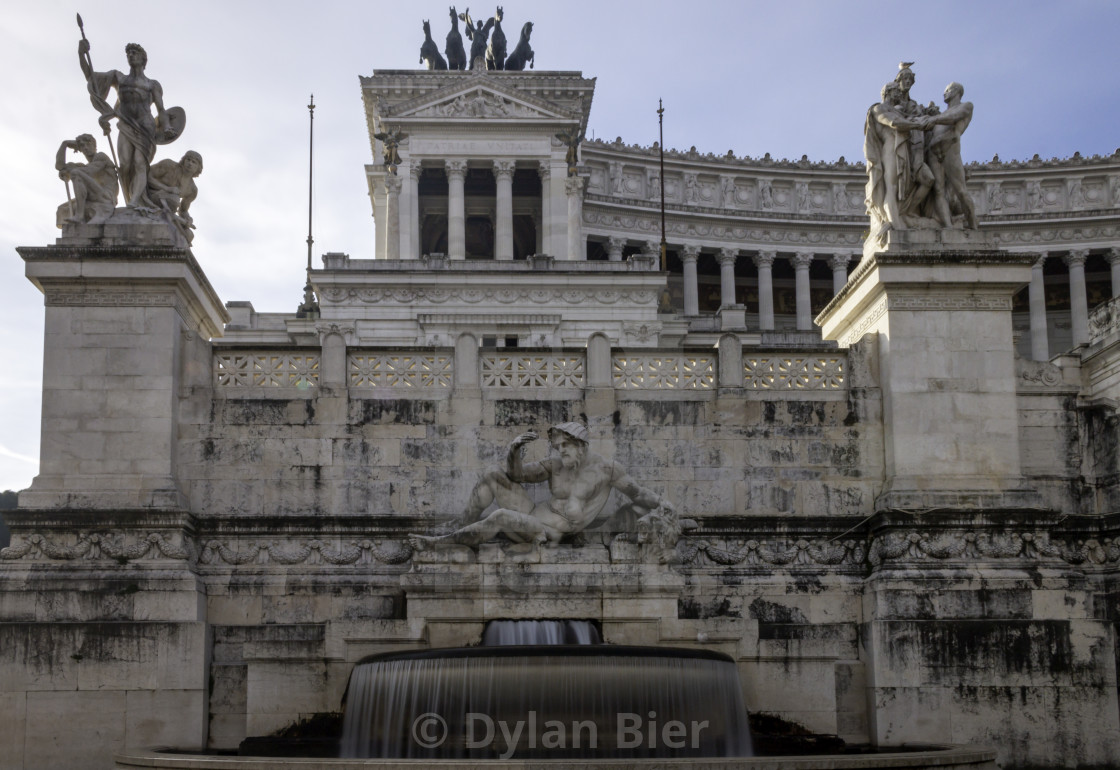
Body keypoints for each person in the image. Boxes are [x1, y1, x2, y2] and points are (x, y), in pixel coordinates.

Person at [408, 422, 674, 549]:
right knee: (492, 473)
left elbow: (637, 492)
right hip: (533, 513)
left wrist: (664, 506)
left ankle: (441, 544)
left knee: (500, 516)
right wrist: (514, 449)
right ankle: (461, 525)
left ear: (581, 445)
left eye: (565, 445)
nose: (560, 450)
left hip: (548, 530)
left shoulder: (607, 469)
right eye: (557, 446)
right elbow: (517, 475)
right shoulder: (554, 464)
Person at [79, 41, 177, 208]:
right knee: (124, 165)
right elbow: (91, 78)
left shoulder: (152, 84)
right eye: (129, 53)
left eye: (134, 53)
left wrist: (167, 127)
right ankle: (132, 197)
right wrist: (82, 54)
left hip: (145, 127)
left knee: (140, 163)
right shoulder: (119, 78)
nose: (131, 56)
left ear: (143, 59)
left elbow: (161, 109)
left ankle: (134, 202)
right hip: (125, 125)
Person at [863, 82, 926, 240]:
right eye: (897, 91)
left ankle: (903, 215)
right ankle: (895, 224)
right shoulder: (879, 108)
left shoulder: (898, 111)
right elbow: (893, 123)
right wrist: (918, 124)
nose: (900, 94)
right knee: (890, 187)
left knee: (902, 188)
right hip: (890, 149)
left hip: (902, 149)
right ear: (889, 92)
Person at [924, 82, 977, 229]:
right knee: (938, 190)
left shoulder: (966, 106)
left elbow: (955, 117)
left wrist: (933, 119)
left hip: (950, 148)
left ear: (956, 91)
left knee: (960, 190)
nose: (944, 93)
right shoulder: (939, 115)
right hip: (934, 152)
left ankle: (974, 226)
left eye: (947, 90)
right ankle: (948, 226)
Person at [55, 133, 118, 225]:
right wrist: (64, 144)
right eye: (82, 146)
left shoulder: (101, 156)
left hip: (107, 196)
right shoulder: (83, 166)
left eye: (89, 144)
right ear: (79, 149)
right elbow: (59, 166)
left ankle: (79, 216)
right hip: (94, 196)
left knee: (76, 173)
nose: (86, 148)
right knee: (62, 209)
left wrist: (69, 171)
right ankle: (79, 217)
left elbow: (88, 171)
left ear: (94, 145)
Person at [148, 150, 203, 242]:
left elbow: (183, 210)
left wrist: (188, 219)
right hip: (149, 196)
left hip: (168, 209)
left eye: (194, 162)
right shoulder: (169, 165)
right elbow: (146, 176)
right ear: (183, 160)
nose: (190, 163)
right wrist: (167, 188)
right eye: (188, 159)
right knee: (173, 199)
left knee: (189, 235)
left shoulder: (192, 189)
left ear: (198, 168)